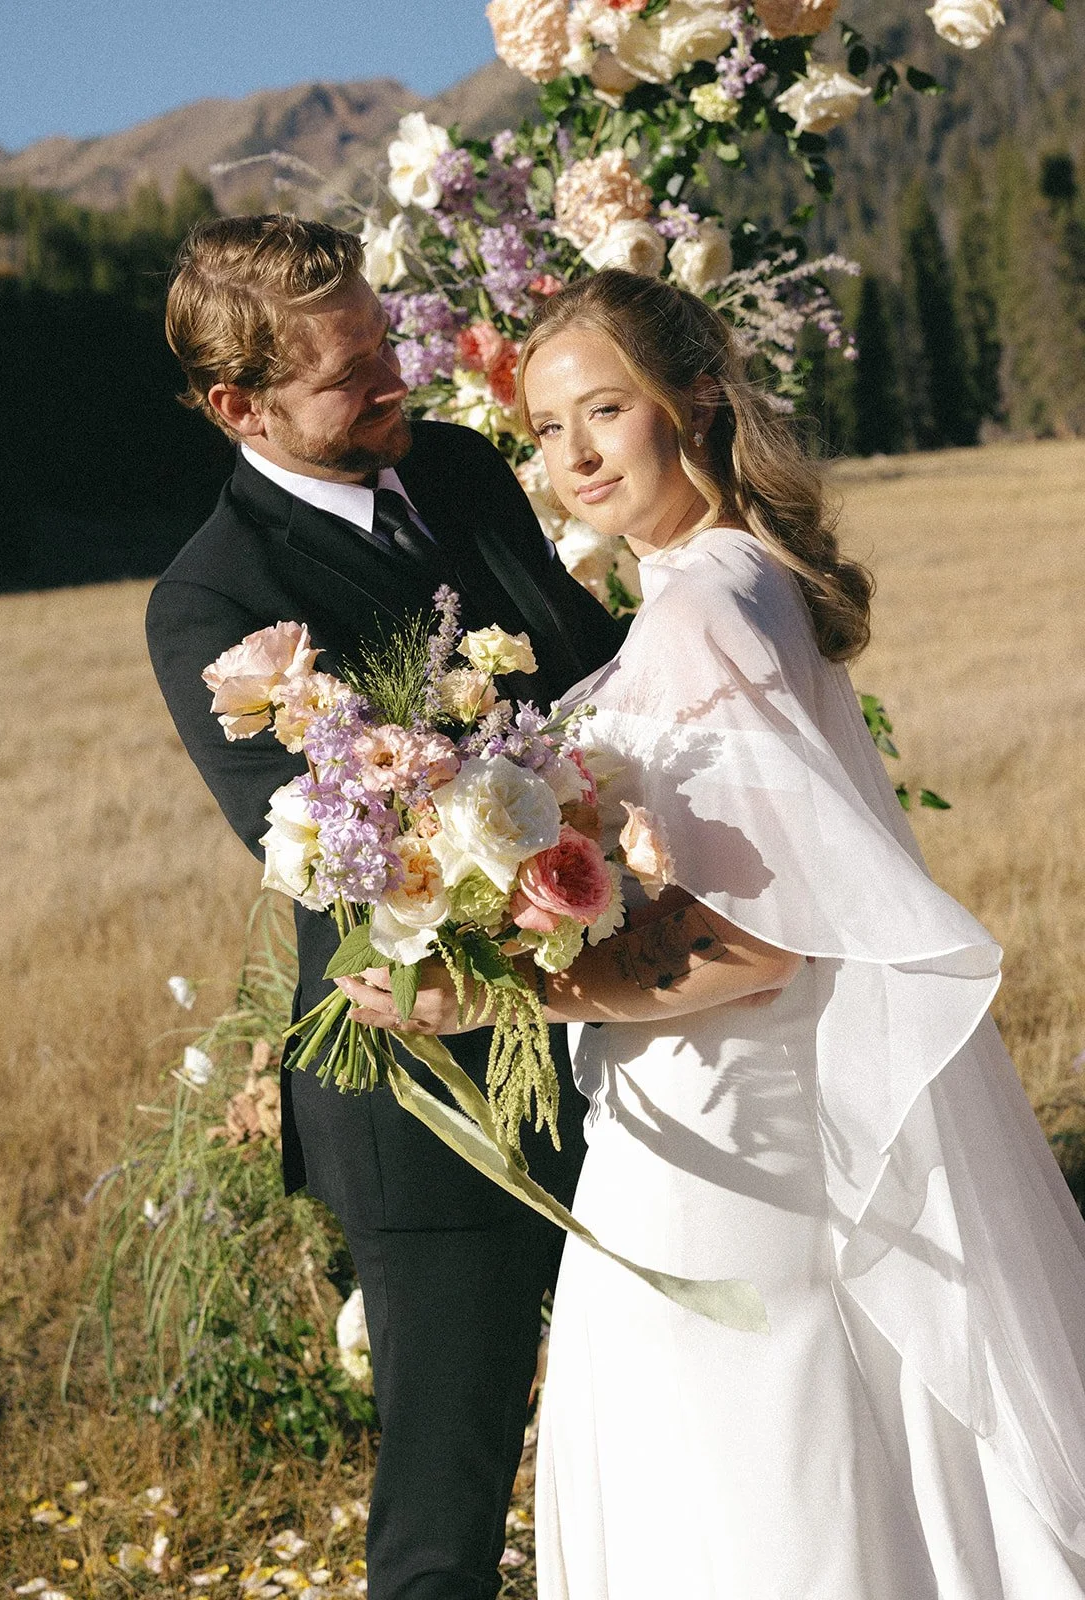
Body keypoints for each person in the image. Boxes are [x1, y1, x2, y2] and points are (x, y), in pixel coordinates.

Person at [339, 268, 1085, 1598]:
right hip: (763, 1104)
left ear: (694, 399)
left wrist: (499, 990)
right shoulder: (742, 580)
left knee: (726, 1462)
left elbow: (757, 942)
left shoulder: (696, 615)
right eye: (545, 430)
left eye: (604, 412)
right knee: (801, 1440)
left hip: (728, 1125)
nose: (569, 457)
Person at [145, 215, 627, 1600]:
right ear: (242, 407)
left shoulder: (463, 469)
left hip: (618, 1023)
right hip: (425, 1087)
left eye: (386, 343)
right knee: (447, 1490)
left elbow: (578, 673)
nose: (394, 382)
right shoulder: (215, 603)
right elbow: (328, 857)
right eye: (351, 375)